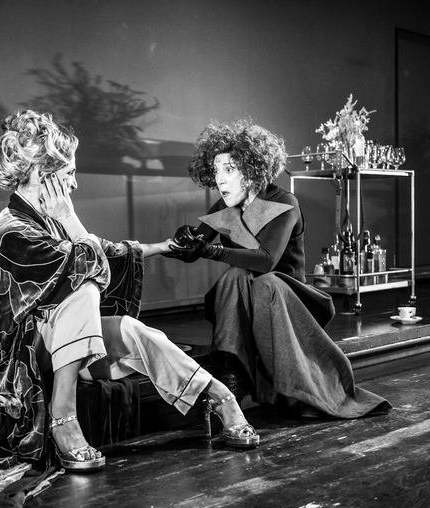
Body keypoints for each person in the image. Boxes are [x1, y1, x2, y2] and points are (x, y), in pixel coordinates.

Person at [0, 110, 258, 508]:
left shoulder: (47, 220)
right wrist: (71, 219)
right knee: (85, 290)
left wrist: (163, 246)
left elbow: (105, 250)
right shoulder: (10, 229)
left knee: (132, 330)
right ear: (43, 174)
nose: (74, 184)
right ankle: (62, 416)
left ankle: (218, 396)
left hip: (61, 348)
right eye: (69, 174)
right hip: (18, 364)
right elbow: (88, 263)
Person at [166, 119, 391, 419]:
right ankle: (230, 378)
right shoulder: (224, 206)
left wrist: (209, 249)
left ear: (252, 169)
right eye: (216, 170)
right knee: (236, 275)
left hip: (290, 300)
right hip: (245, 298)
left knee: (262, 281)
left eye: (229, 169)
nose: (220, 179)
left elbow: (266, 260)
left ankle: (254, 385)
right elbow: (192, 250)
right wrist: (186, 240)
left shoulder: (285, 202)